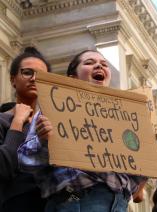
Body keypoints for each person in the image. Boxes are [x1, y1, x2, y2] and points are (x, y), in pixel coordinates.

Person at [18, 49, 147, 212]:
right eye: (89, 63)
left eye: (104, 64)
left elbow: (134, 185)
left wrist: (149, 158)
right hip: (75, 201)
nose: (99, 65)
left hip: (119, 204)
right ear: (73, 78)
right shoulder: (55, 109)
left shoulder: (126, 119)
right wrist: (43, 140)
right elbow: (25, 160)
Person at [0, 46, 52, 212]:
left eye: (41, 75)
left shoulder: (52, 124)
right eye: (27, 72)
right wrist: (17, 122)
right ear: (13, 79)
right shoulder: (2, 120)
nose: (34, 78)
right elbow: (3, 167)